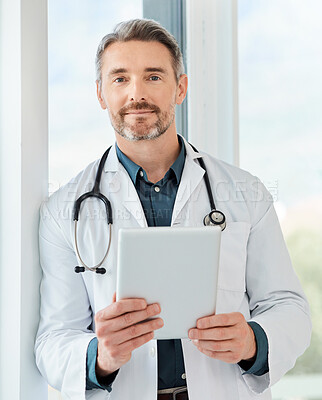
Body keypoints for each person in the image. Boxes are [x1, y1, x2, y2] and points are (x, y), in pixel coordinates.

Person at [35, 19, 311, 400]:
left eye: (153, 77)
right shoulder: (64, 210)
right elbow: (52, 338)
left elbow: (289, 307)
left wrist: (252, 341)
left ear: (180, 88)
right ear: (100, 94)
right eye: (119, 79)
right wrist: (99, 356)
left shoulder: (245, 194)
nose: (137, 94)